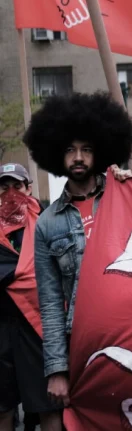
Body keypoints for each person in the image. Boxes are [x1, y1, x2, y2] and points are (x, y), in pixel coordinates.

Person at [23, 92, 132, 409]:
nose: (78, 157)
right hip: (83, 341)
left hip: (131, 332)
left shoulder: (124, 197)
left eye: (86, 149)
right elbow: (50, 303)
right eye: (70, 150)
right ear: (56, 154)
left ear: (100, 152)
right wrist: (57, 370)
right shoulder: (47, 223)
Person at [0, 164, 61, 431]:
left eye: (17, 186)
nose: (11, 193)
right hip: (2, 326)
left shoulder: (47, 223)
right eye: (4, 187)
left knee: (48, 404)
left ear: (29, 189)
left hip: (37, 328)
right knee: (2, 407)